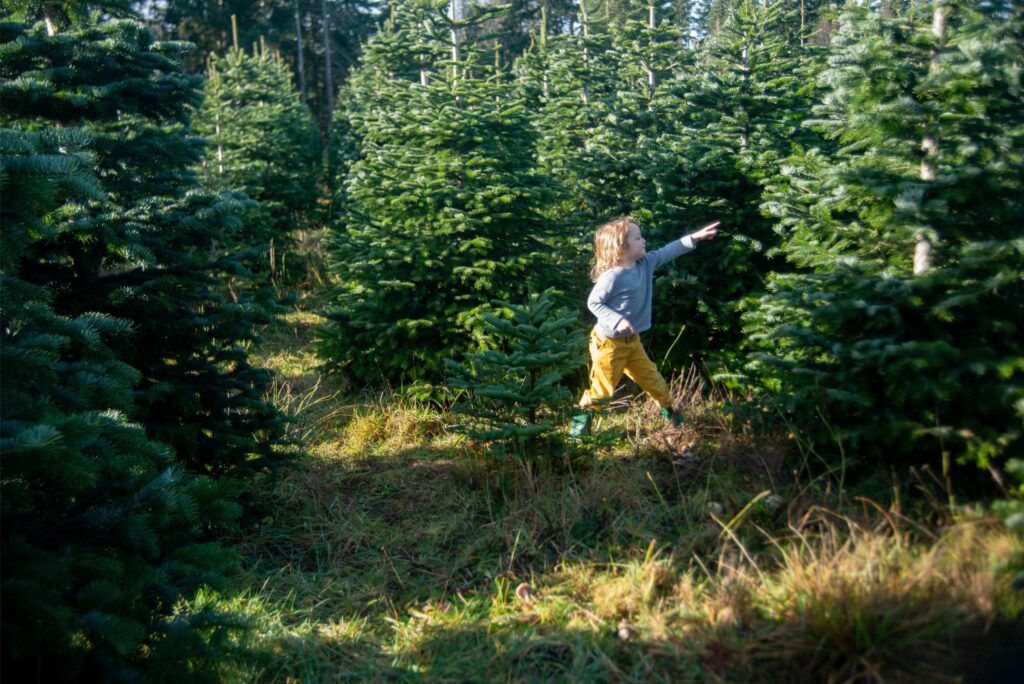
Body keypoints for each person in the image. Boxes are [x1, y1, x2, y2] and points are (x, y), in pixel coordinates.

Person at [569, 216, 720, 437]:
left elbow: (668, 251)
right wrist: (617, 320)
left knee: (654, 381)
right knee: (602, 391)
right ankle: (578, 432)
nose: (644, 240)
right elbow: (594, 302)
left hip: (632, 342)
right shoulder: (612, 277)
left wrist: (694, 238)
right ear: (621, 247)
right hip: (608, 344)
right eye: (638, 238)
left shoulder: (646, 263)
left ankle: (673, 417)